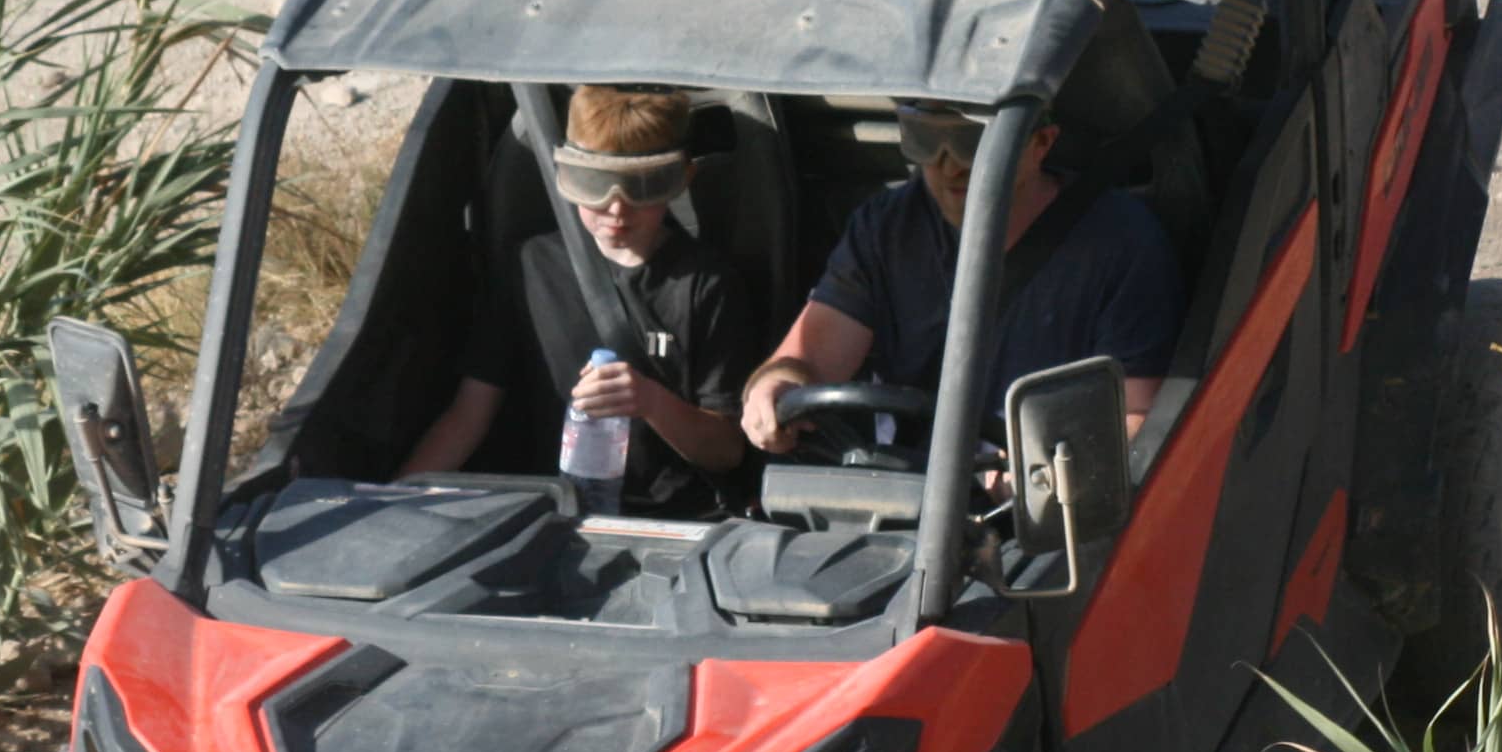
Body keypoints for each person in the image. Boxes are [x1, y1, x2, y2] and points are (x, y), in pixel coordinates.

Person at [738, 101, 1181, 457]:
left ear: (1041, 143)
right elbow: (808, 360)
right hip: (902, 505)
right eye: (927, 141)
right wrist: (775, 386)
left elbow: (1134, 420)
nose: (950, 167)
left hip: (1044, 528)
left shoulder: (1121, 243)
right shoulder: (887, 227)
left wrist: (1038, 476)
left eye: (974, 143)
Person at [403, 86, 758, 517]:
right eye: (594, 185)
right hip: (553, 510)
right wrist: (393, 503)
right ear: (565, 179)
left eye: (641, 187)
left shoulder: (708, 285)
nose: (616, 210)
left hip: (669, 517)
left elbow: (725, 451)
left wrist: (650, 401)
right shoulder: (531, 267)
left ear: (680, 179)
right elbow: (469, 414)